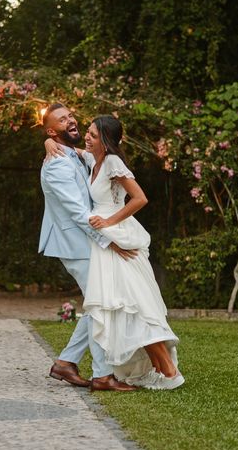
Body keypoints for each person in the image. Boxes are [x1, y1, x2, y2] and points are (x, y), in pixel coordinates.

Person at [45, 115, 184, 390]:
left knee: (131, 304)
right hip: (100, 240)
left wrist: (110, 223)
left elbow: (140, 198)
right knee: (107, 304)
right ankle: (106, 370)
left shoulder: (111, 162)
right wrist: (48, 140)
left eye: (93, 135)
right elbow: (72, 150)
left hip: (115, 235)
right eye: (88, 132)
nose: (87, 136)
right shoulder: (90, 160)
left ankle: (161, 370)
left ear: (106, 141)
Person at [39, 103, 138, 391]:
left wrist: (47, 142)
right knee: (99, 304)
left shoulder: (71, 154)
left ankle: (66, 363)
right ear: (51, 130)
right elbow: (77, 211)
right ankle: (103, 375)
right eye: (62, 120)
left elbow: (94, 160)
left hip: (85, 243)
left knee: (98, 304)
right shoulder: (57, 163)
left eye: (70, 116)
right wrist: (110, 241)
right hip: (75, 244)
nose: (71, 121)